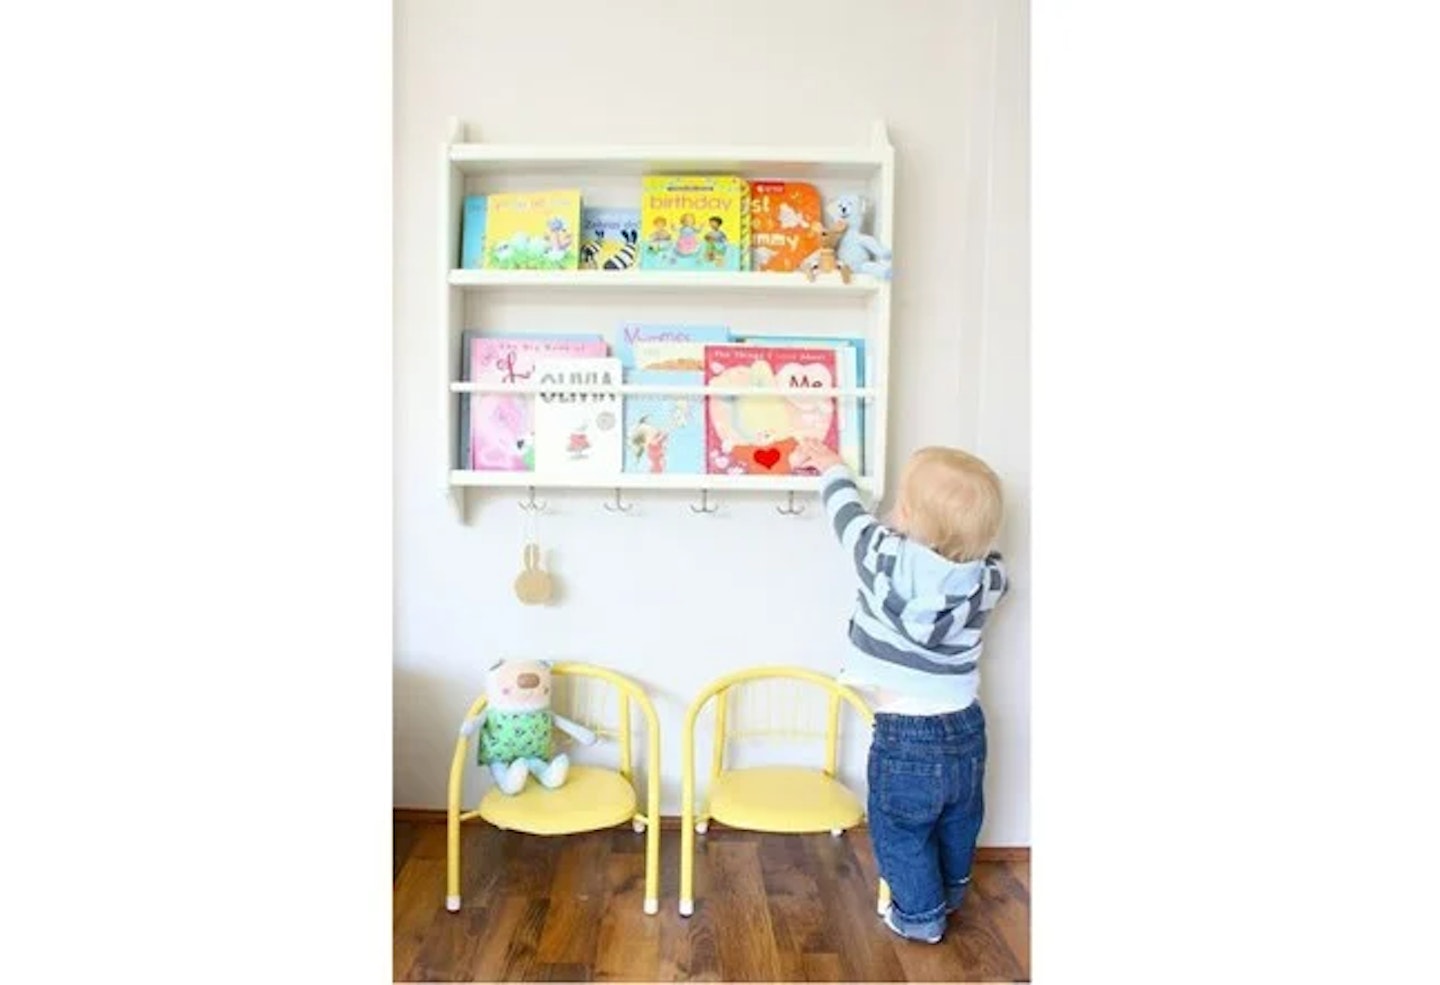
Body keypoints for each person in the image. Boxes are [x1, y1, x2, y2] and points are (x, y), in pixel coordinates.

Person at [790, 438, 1010, 944]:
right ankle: (950, 894)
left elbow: (847, 518)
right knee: (958, 821)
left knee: (900, 830)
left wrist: (832, 467)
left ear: (907, 515)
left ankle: (919, 917)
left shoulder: (882, 556)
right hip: (965, 725)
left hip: (906, 734)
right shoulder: (989, 578)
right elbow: (969, 563)